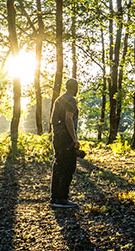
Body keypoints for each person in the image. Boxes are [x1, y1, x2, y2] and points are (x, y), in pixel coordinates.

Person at [50, 78, 80, 208]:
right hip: (66, 138)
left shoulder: (59, 99)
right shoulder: (71, 100)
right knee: (68, 167)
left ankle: (55, 198)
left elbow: (52, 120)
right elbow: (68, 119)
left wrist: (56, 134)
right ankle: (62, 198)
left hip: (58, 137)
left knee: (58, 166)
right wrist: (74, 139)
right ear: (75, 88)